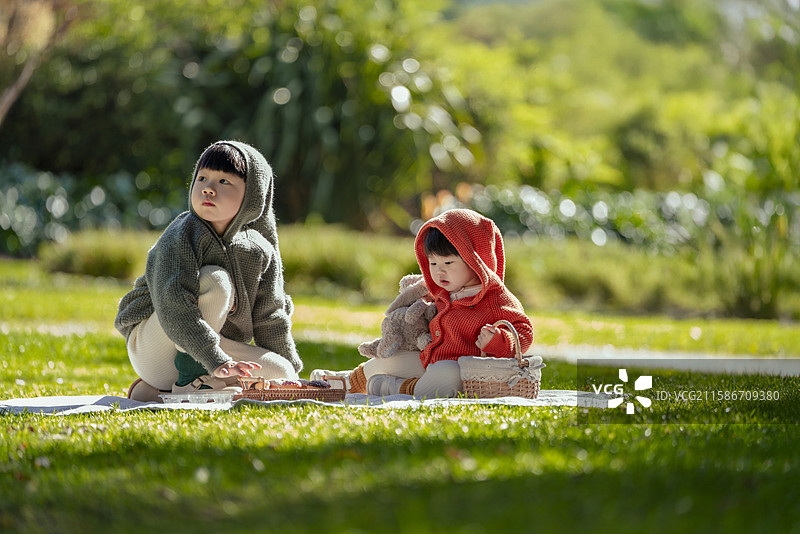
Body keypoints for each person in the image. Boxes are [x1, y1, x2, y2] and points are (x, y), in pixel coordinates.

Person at [115, 141, 302, 402]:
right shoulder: (182, 234)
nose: (208, 189)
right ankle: (191, 380)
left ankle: (159, 392)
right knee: (216, 280)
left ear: (252, 195)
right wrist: (215, 360)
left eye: (224, 181)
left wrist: (294, 379)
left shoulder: (259, 250)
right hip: (156, 346)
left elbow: (269, 316)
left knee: (281, 370)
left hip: (210, 351)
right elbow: (173, 303)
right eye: (202, 178)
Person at [314, 208, 533, 398]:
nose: (439, 270)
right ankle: (348, 381)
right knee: (393, 359)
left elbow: (524, 332)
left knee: (446, 375)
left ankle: (399, 388)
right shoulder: (443, 293)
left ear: (475, 259)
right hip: (429, 359)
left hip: (464, 370)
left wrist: (498, 342)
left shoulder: (494, 297)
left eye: (448, 262)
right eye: (433, 262)